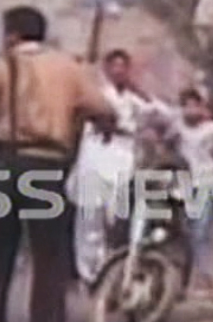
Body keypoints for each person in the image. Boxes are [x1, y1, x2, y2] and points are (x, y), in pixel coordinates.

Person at [0, 6, 115, 322]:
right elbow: (101, 108)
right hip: (48, 168)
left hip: (1, 167)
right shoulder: (69, 69)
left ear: (11, 35)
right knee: (49, 256)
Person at [68, 49, 172, 281]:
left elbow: (167, 117)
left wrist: (141, 92)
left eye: (122, 66)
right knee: (90, 216)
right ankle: (90, 272)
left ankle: (115, 266)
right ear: (106, 69)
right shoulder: (96, 94)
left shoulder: (136, 100)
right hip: (95, 154)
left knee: (117, 216)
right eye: (113, 66)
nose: (118, 71)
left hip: (123, 157)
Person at [170, 89, 213, 300]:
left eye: (194, 105)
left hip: (208, 183)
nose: (190, 110)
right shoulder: (178, 129)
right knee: (187, 235)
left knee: (201, 235)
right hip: (186, 185)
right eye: (186, 105)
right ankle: (187, 284)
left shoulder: (212, 130)